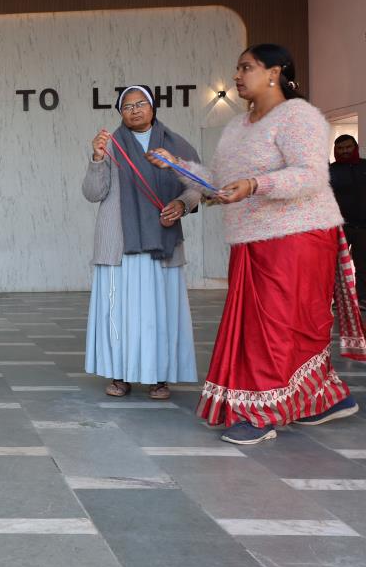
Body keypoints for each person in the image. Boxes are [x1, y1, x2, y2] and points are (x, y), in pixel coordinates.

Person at [149, 44, 360, 445]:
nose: (237, 75)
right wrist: (176, 166)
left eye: (246, 67)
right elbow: (217, 182)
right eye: (237, 68)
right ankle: (321, 400)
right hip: (252, 240)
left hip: (297, 236)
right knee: (262, 329)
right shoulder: (238, 126)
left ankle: (260, 414)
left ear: (274, 72)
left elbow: (310, 175)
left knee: (276, 330)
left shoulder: (298, 116)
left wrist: (255, 184)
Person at [83, 86, 201, 400]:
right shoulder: (110, 145)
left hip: (161, 243)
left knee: (159, 314)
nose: (134, 110)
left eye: (140, 104)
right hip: (119, 245)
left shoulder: (176, 144)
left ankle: (159, 377)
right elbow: (93, 193)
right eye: (127, 106)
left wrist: (182, 204)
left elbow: (196, 186)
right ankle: (119, 375)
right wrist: (97, 158)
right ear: (120, 112)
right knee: (118, 313)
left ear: (152, 107)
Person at [329, 134, 366, 309]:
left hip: (364, 227)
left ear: (355, 147)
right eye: (341, 148)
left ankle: (362, 298)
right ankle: (340, 300)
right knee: (338, 266)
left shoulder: (364, 166)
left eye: (348, 147)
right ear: (336, 150)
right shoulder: (330, 171)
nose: (345, 151)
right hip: (340, 227)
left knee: (363, 265)